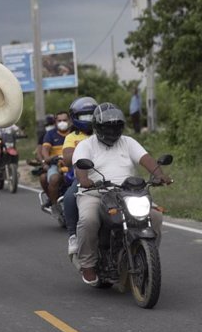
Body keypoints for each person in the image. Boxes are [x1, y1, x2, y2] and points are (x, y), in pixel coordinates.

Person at [73, 103, 171, 286]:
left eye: (116, 127)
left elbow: (146, 159)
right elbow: (80, 166)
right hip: (95, 193)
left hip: (128, 193)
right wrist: (84, 180)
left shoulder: (128, 142)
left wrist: (159, 175)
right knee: (88, 220)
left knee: (155, 216)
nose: (112, 131)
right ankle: (87, 264)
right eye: (107, 127)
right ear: (98, 127)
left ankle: (146, 256)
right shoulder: (86, 145)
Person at [62, 97, 97, 258]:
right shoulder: (72, 137)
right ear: (76, 118)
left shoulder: (104, 132)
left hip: (109, 175)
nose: (88, 120)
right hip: (84, 177)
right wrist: (82, 152)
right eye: (84, 117)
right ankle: (73, 236)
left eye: (91, 115)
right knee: (69, 197)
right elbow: (68, 159)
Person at [39, 111, 72, 211]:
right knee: (53, 179)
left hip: (73, 164)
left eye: (65, 120)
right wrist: (48, 159)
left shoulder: (74, 133)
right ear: (55, 122)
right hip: (56, 164)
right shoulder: (50, 134)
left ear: (70, 120)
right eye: (59, 120)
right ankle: (55, 206)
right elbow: (45, 151)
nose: (62, 122)